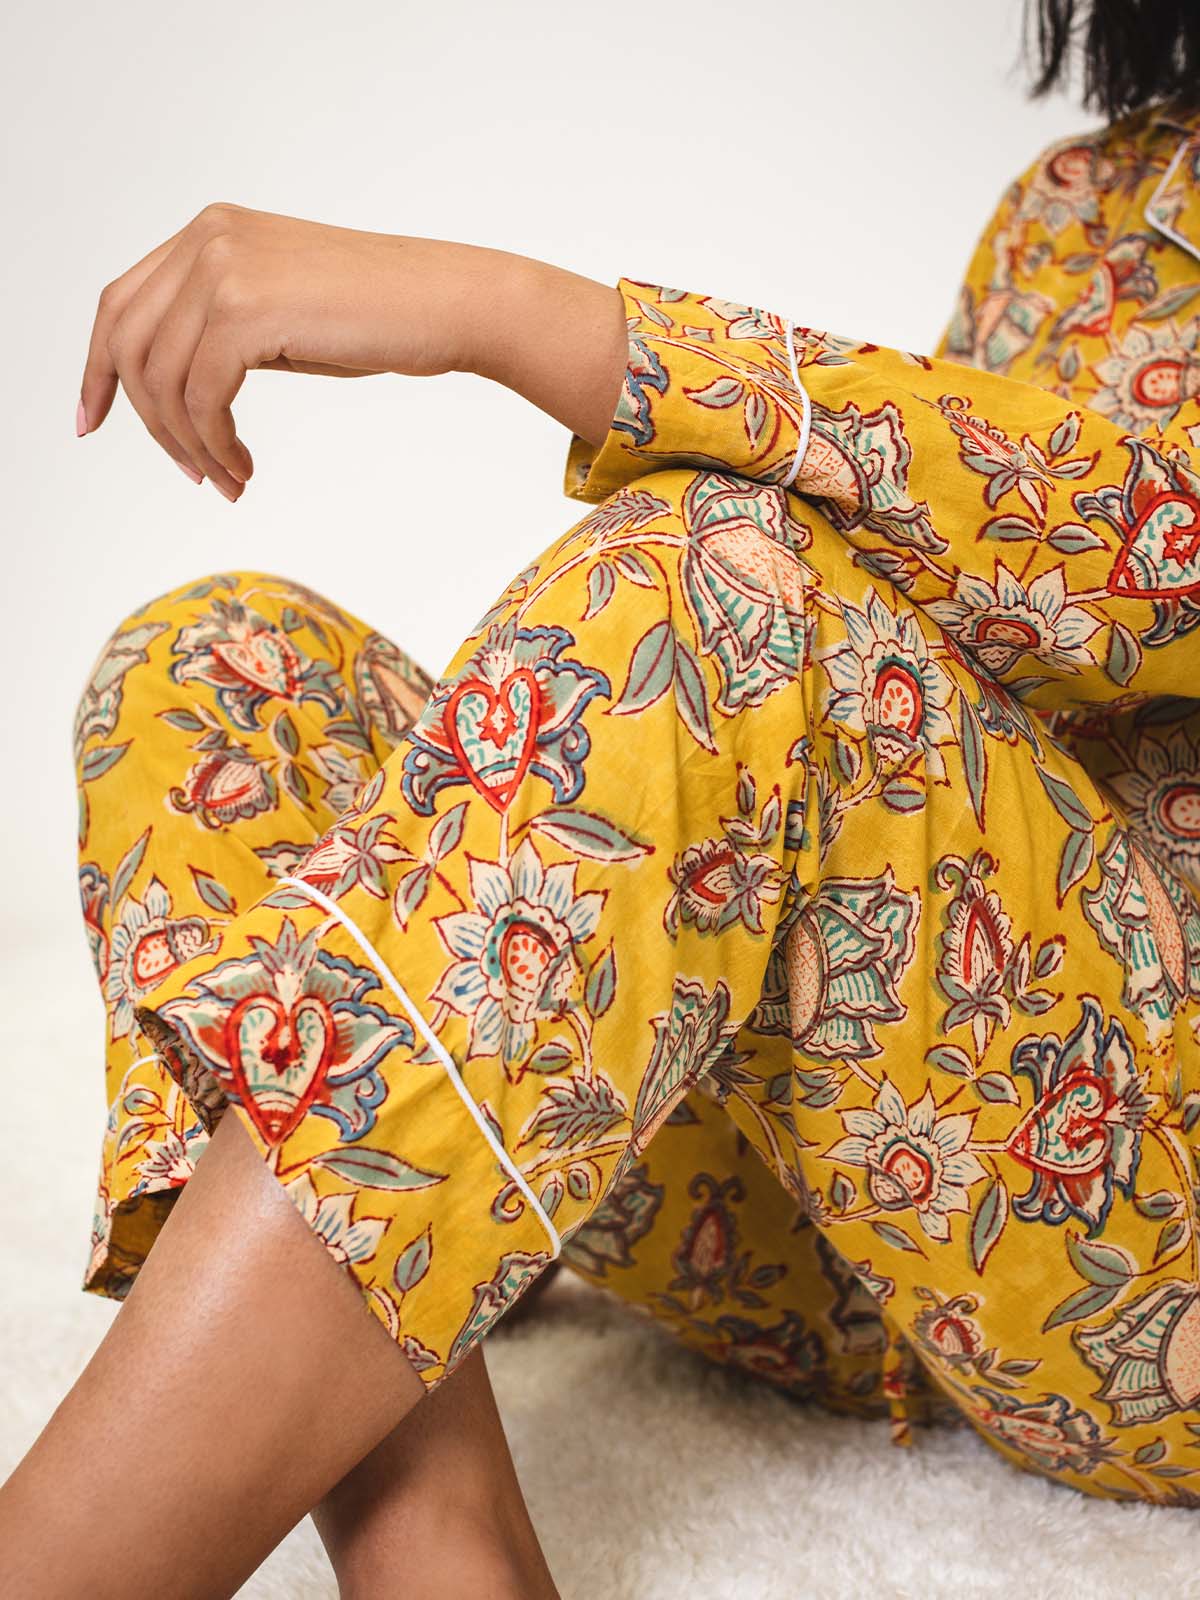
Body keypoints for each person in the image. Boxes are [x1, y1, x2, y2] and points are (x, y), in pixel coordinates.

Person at [6, 1, 1200, 1593]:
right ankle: (447, 1550)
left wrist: (505, 310)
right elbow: (966, 635)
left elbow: (1146, 557)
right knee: (221, 668)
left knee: (719, 594)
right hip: (852, 1223)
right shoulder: (1083, 206)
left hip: (1146, 1251)